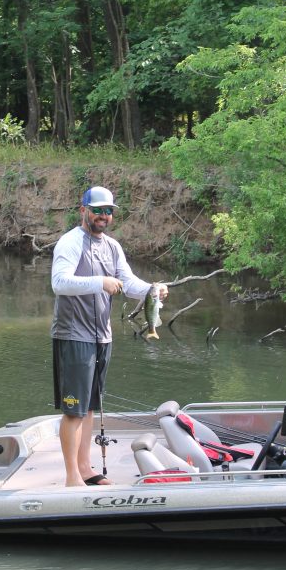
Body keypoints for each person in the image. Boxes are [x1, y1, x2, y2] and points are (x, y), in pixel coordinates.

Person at [51, 185, 168, 486]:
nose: (104, 215)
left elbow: (127, 283)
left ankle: (86, 468)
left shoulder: (112, 247)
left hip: (101, 337)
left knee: (90, 408)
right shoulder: (70, 242)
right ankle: (71, 477)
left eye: (108, 211)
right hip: (73, 335)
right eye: (98, 210)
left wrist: (151, 290)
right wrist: (99, 282)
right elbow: (60, 283)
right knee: (74, 409)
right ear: (83, 211)